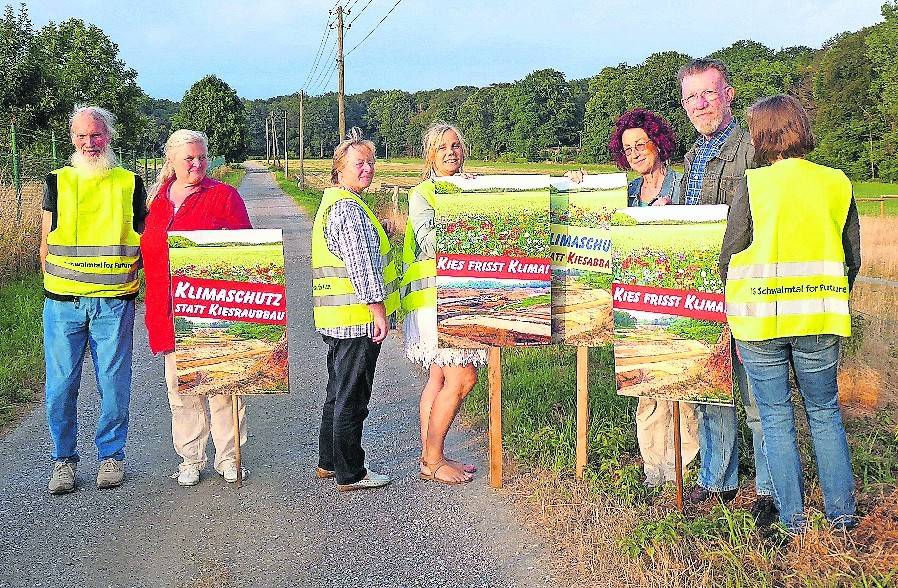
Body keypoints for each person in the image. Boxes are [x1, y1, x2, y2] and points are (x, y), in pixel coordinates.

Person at [721, 94, 860, 533]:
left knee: (776, 419)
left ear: (761, 135)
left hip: (760, 322)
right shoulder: (836, 182)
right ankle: (842, 517)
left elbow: (730, 255)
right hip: (820, 318)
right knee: (825, 413)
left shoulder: (754, 185)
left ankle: (793, 522)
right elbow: (852, 257)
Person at [677, 58, 775, 521]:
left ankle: (770, 488)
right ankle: (718, 480)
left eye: (708, 93)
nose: (700, 104)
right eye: (691, 97)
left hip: (747, 286)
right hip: (702, 289)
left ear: (728, 95)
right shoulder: (692, 157)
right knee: (711, 388)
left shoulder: (753, 147)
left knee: (758, 394)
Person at [40, 105, 146, 494]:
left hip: (114, 303)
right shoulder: (57, 181)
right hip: (63, 303)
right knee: (60, 387)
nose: (90, 143)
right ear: (72, 139)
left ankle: (111, 457)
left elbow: (145, 240)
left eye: (96, 134)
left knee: (113, 385)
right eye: (82, 136)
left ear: (109, 136)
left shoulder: (130, 183)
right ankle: (63, 461)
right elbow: (45, 242)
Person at [140, 129, 252, 486]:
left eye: (202, 157)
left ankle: (229, 457)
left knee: (222, 386)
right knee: (180, 388)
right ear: (171, 159)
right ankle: (190, 458)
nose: (197, 164)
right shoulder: (157, 200)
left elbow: (248, 253)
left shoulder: (224, 196)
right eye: (189, 158)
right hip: (168, 310)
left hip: (213, 312)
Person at [605, 109, 700, 485]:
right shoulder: (627, 194)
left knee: (683, 389)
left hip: (680, 300)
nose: (634, 153)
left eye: (640, 144)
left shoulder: (684, 185)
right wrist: (580, 184)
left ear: (657, 143)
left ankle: (684, 468)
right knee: (647, 389)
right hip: (638, 304)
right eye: (627, 148)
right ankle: (654, 469)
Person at [312, 128, 399, 492]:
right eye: (359, 163)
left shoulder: (335, 203)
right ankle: (351, 473)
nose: (368, 169)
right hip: (356, 320)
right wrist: (378, 311)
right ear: (339, 169)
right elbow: (362, 267)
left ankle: (329, 462)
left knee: (337, 392)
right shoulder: (349, 210)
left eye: (371, 162)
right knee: (352, 398)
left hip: (337, 318)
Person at [400, 122, 486, 485]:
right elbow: (430, 242)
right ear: (430, 155)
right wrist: (472, 217)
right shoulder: (423, 193)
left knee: (438, 376)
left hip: (455, 294)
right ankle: (434, 460)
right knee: (463, 377)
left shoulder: (471, 186)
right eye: (442, 147)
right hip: (436, 300)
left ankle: (429, 457)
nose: (451, 152)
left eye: (455, 145)